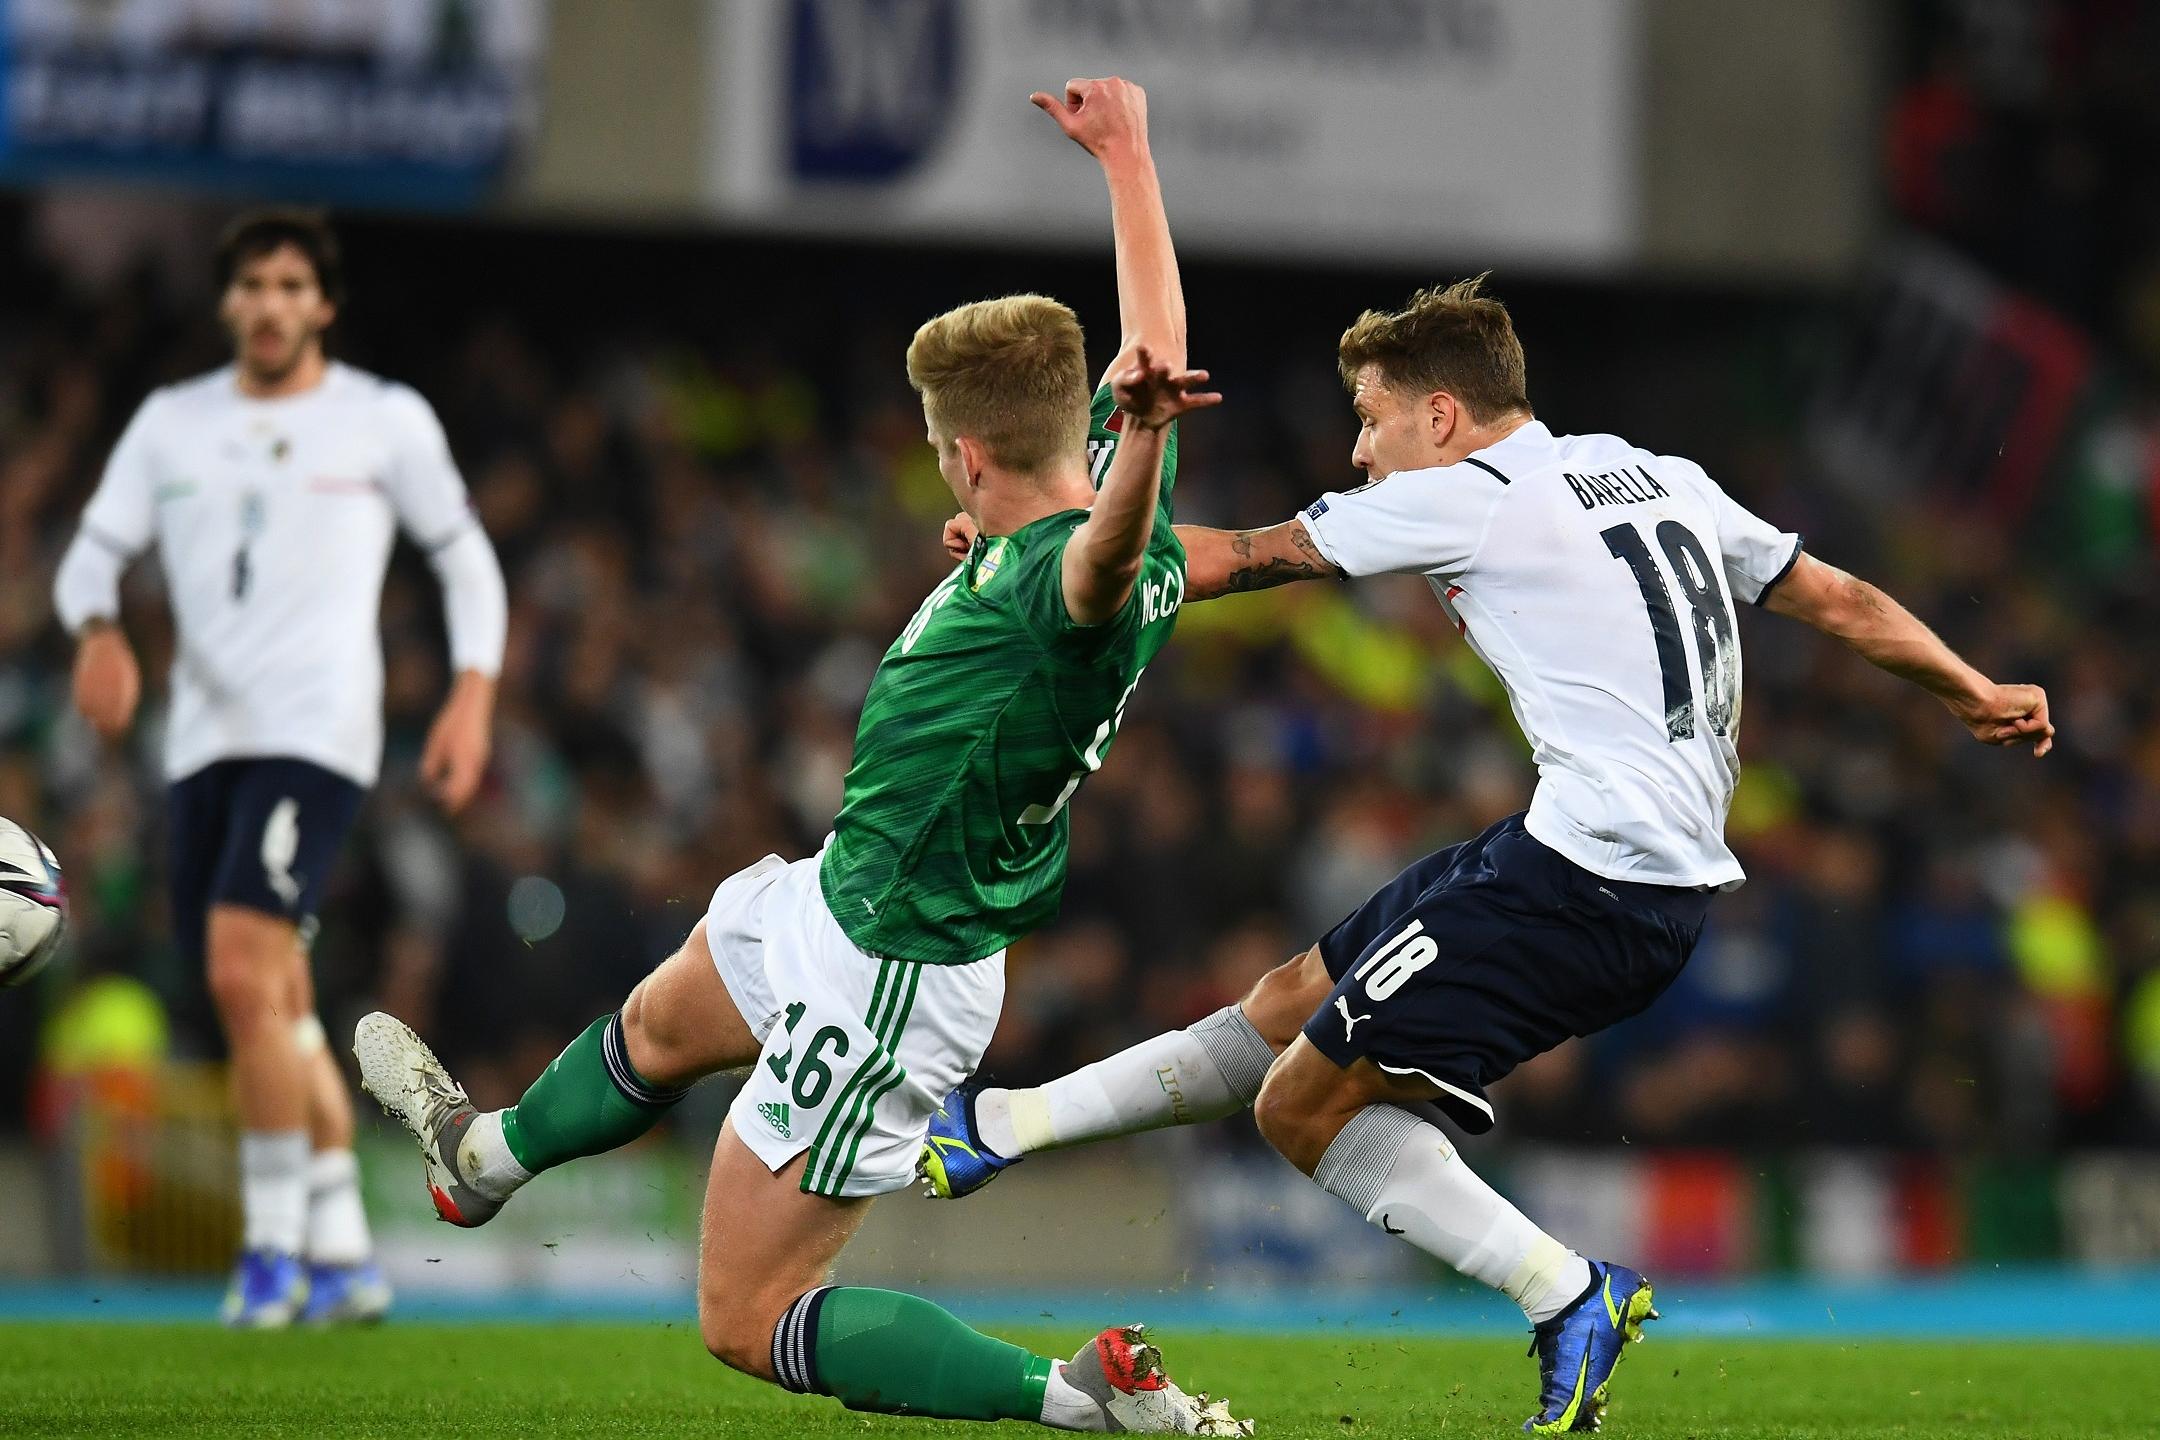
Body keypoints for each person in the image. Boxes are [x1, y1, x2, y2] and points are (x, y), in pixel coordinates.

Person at [921, 277, 2055, 1434]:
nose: (1362, 451)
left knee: (1298, 1107)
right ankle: (1001, 1125)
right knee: (1287, 1002)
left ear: (1443, 415)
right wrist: (1971, 687)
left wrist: (1028, 543)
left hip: (1593, 882)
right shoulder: (1653, 470)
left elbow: (1221, 561)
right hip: (1583, 858)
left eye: (1371, 418)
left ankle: (1567, 1293)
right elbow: (1843, 598)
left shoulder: (1469, 494)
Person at [354, 79, 1249, 1435]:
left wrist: (1148, 423)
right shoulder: (1104, 489)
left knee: (744, 1316)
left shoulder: (1070, 569)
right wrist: (1129, 157)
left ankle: (1081, 1404)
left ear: (958, 454)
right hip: (843, 889)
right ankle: (478, 1164)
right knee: (661, 1021)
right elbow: (1156, 348)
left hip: (896, 958)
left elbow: (1106, 557)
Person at [52, 210, 508, 1327]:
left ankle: (272, 1256)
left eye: (291, 284)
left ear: (323, 306)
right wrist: (101, 632)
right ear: (229, 304)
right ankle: (347, 1246)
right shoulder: (173, 426)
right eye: (251, 284)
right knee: (274, 1001)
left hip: (317, 738)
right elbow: (87, 563)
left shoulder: (382, 421)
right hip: (201, 744)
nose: (268, 303)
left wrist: (472, 694)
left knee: (245, 973)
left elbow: (465, 560)